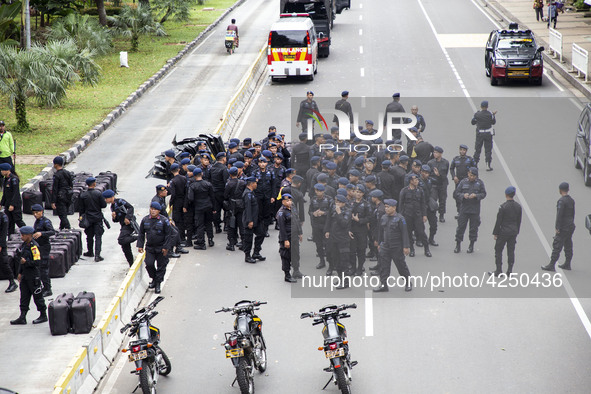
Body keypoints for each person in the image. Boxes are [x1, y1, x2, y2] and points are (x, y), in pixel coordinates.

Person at [10, 226, 48, 325]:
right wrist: (20, 273)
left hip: (33, 275)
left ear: (29, 235)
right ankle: (22, 317)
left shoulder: (34, 247)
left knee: (37, 296)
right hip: (25, 275)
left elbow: (37, 262)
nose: (21, 237)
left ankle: (43, 315)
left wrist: (26, 262)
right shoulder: (24, 245)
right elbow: (21, 261)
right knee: (24, 296)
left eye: (23, 235)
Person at [373, 199, 412, 292]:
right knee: (384, 267)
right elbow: (380, 231)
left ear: (394, 207)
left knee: (401, 266)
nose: (386, 209)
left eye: (388, 207)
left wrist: (406, 246)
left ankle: (408, 282)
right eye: (385, 207)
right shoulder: (383, 217)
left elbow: (405, 233)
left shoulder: (400, 219)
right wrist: (379, 243)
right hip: (385, 246)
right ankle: (383, 285)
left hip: (396, 247)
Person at [137, 202, 173, 294]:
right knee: (149, 264)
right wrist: (140, 245)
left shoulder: (164, 221)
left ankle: (157, 284)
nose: (153, 211)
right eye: (151, 209)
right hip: (150, 247)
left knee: (161, 266)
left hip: (161, 248)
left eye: (155, 209)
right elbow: (141, 233)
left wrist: (166, 248)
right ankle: (154, 278)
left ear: (159, 211)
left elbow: (168, 235)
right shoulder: (145, 220)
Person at [542, 182, 575, 271]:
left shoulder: (562, 201)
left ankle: (552, 264)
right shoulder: (571, 200)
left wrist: (557, 227)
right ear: (568, 189)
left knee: (557, 245)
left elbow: (559, 215)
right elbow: (573, 214)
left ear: (560, 190)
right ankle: (567, 263)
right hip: (570, 226)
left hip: (563, 227)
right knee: (568, 244)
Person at [453, 167, 486, 253]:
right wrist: (463, 196)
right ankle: (458, 245)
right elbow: (456, 193)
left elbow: (483, 193)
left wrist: (476, 196)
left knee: (473, 228)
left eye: (474, 176)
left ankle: (471, 245)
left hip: (474, 209)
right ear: (468, 174)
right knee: (460, 227)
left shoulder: (479, 183)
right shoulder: (463, 182)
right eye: (471, 175)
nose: (472, 177)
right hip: (464, 209)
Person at [491, 186, 522, 276]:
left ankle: (498, 270)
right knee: (511, 250)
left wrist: (496, 233)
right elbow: (519, 221)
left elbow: (498, 221)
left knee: (498, 250)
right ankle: (509, 270)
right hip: (513, 231)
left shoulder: (503, 207)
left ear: (506, 194)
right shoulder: (518, 206)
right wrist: (517, 231)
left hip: (503, 231)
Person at [398, 173, 431, 257]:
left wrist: (424, 215)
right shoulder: (404, 191)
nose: (417, 181)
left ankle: (426, 249)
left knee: (421, 232)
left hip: (417, 214)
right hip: (407, 215)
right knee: (409, 233)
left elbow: (423, 203)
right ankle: (412, 249)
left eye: (417, 179)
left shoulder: (420, 190)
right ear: (410, 181)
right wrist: (400, 216)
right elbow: (401, 204)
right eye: (415, 180)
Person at [104, 190, 137, 266]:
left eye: (107, 198)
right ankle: (131, 263)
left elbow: (130, 207)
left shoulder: (120, 201)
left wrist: (127, 217)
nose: (106, 200)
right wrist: (114, 217)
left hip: (129, 224)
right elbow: (116, 220)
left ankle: (138, 237)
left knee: (121, 240)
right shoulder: (112, 207)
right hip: (123, 225)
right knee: (124, 245)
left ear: (111, 197)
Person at [324, 194, 352, 284]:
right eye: (336, 202)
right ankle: (340, 278)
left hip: (343, 240)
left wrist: (339, 213)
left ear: (344, 203)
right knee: (336, 260)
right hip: (334, 238)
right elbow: (329, 220)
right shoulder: (333, 209)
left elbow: (344, 224)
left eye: (339, 202)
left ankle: (345, 282)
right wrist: (327, 230)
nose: (337, 204)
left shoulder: (347, 211)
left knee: (343, 262)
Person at [186, 167, 216, 250]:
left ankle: (201, 243)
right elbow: (212, 197)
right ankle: (210, 239)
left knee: (200, 225)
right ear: (202, 174)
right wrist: (214, 207)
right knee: (208, 223)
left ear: (194, 176)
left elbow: (190, 198)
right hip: (208, 206)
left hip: (199, 207)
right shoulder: (208, 184)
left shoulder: (192, 186)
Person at [79, 177, 107, 262]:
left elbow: (81, 209)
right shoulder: (98, 193)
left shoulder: (83, 195)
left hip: (88, 218)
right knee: (98, 236)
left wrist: (81, 218)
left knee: (89, 236)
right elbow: (103, 205)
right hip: (97, 218)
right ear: (94, 184)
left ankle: (90, 251)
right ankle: (97, 255)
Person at [276, 194, 302, 283]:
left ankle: (296, 271)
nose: (289, 202)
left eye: (290, 200)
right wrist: (285, 240)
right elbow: (282, 228)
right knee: (286, 256)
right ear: (283, 202)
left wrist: (300, 233)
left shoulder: (293, 208)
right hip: (287, 237)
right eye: (287, 201)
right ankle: (287, 275)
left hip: (294, 236)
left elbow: (297, 221)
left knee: (296, 253)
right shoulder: (281, 212)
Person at [31, 204, 55, 297]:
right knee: (39, 268)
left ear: (41, 212)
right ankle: (44, 287)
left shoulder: (46, 221)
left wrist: (42, 233)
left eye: (37, 213)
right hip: (38, 247)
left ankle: (48, 289)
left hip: (44, 247)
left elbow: (52, 231)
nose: (35, 214)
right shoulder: (37, 221)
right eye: (34, 213)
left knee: (44, 269)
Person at [242, 177, 266, 263]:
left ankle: (256, 252)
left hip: (256, 219)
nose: (256, 184)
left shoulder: (252, 192)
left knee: (261, 234)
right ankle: (247, 256)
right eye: (255, 183)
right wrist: (249, 221)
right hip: (250, 220)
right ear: (251, 184)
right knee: (248, 239)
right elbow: (248, 208)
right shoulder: (247, 194)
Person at [309, 183, 332, 269]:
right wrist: (313, 213)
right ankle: (322, 261)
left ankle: (331, 264)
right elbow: (309, 211)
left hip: (326, 225)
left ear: (323, 191)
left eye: (320, 191)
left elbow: (332, 212)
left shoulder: (329, 200)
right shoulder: (313, 199)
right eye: (317, 191)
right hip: (316, 225)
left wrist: (324, 213)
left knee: (328, 246)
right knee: (318, 245)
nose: (318, 192)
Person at [450, 144, 476, 218]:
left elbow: (475, 169)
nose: (462, 151)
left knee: (468, 196)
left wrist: (473, 179)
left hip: (467, 181)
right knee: (458, 196)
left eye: (464, 150)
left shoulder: (470, 159)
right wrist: (454, 176)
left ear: (466, 151)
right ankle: (459, 212)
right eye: (461, 150)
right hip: (458, 181)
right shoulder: (455, 159)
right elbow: (451, 168)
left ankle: (468, 211)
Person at [349, 184, 371, 275]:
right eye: (357, 192)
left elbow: (369, 218)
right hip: (352, 229)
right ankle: (353, 268)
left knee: (361, 250)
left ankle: (360, 268)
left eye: (360, 192)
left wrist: (360, 220)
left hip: (361, 230)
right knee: (352, 250)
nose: (358, 194)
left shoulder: (366, 204)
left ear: (363, 194)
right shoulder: (350, 203)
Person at [0, 163, 26, 234]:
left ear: (7, 170)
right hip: (8, 203)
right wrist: (1, 204)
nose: (1, 172)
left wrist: (12, 204)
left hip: (15, 204)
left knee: (18, 220)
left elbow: (16, 193)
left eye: (2, 170)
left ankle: (28, 233)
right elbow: (5, 194)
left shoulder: (14, 179)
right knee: (9, 222)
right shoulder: (6, 179)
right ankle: (10, 236)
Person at [224, 166, 246, 251]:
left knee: (231, 225)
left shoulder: (229, 184)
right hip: (240, 205)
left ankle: (231, 243)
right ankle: (243, 243)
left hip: (232, 206)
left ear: (230, 174)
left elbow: (225, 196)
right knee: (241, 224)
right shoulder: (242, 182)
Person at [471, 100, 496, 171]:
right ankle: (488, 165)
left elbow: (473, 122)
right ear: (487, 107)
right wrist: (493, 115)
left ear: (481, 106)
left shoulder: (477, 114)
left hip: (480, 134)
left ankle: (475, 164)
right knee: (488, 149)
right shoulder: (490, 114)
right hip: (488, 134)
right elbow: (493, 122)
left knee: (478, 149)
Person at [427, 146, 449, 223]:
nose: (434, 154)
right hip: (434, 184)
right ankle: (433, 214)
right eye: (434, 152)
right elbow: (428, 174)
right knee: (433, 200)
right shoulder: (430, 163)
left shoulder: (445, 162)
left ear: (440, 154)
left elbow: (445, 174)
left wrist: (439, 175)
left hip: (442, 184)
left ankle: (441, 215)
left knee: (442, 200)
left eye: (436, 152)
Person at [51, 156, 73, 230]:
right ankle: (61, 228)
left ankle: (68, 228)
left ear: (56, 165)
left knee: (62, 215)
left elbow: (55, 189)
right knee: (64, 213)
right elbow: (71, 185)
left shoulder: (57, 175)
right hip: (68, 195)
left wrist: (53, 201)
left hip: (60, 197)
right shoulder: (67, 173)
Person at [209, 152, 229, 233]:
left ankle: (217, 226)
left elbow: (210, 180)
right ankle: (226, 226)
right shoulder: (224, 169)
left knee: (216, 210)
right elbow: (226, 182)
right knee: (226, 209)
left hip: (214, 192)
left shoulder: (212, 168)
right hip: (222, 192)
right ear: (223, 158)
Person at [0, 208, 17, 293]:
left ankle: (12, 282)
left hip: (1, 245)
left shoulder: (3, 217)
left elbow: (3, 233)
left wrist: (1, 245)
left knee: (4, 263)